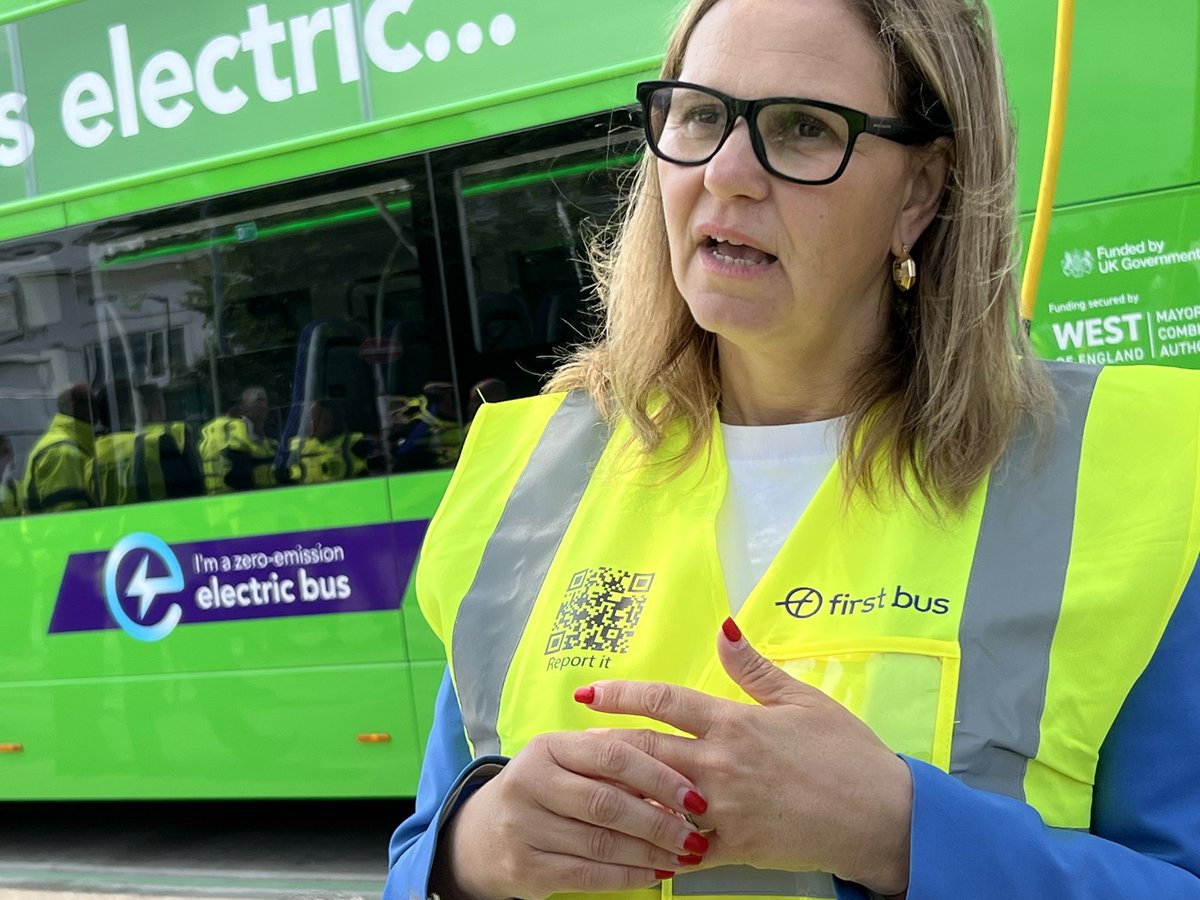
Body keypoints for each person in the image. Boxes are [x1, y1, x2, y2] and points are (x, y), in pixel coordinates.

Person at [385, 0, 1200, 898]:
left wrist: (897, 833)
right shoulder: (531, 476)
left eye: (804, 129)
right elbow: (419, 857)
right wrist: (476, 850)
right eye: (698, 115)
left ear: (922, 190)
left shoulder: (1133, 480)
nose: (726, 173)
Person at [22, 383, 97, 514]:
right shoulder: (62, 452)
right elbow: (68, 516)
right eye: (92, 404)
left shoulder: (69, 444)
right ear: (75, 406)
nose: (97, 410)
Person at [199, 385, 279, 493]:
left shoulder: (270, 441)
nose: (265, 406)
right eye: (259, 400)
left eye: (265, 401)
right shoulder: (234, 436)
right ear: (243, 409)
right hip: (240, 501)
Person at [286, 398, 371, 484]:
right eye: (311, 419)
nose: (313, 425)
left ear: (333, 421)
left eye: (318, 420)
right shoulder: (296, 445)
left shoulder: (354, 441)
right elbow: (285, 474)